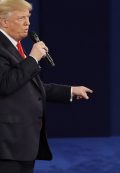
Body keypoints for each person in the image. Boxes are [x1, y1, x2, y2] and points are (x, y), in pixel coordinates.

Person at [0, 0, 93, 172]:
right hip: (7, 145)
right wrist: (33, 59)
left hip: (21, 143)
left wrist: (70, 91)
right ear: (4, 21)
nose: (27, 22)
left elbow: (29, 87)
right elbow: (5, 84)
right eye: (21, 18)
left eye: (28, 17)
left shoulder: (15, 47)